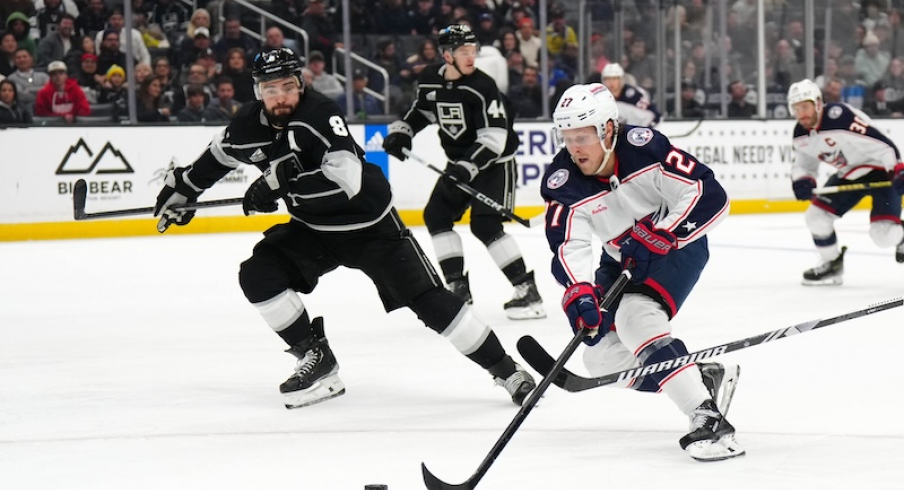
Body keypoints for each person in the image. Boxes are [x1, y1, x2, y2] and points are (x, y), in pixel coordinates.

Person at [152, 47, 536, 410]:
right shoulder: (248, 123)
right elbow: (220, 156)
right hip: (313, 231)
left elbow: (347, 180)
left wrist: (277, 183)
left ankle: (508, 371)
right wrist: (183, 190)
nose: (281, 96)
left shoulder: (320, 114)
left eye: (288, 85)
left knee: (433, 305)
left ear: (300, 83)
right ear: (258, 92)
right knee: (257, 276)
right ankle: (316, 357)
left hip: (371, 229)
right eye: (271, 89)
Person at [541, 82, 742, 461]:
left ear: (608, 130)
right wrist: (579, 290)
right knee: (598, 355)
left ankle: (708, 419)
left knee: (636, 317)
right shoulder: (563, 183)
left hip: (677, 245)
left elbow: (709, 195)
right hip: (621, 258)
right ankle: (700, 377)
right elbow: (569, 245)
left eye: (583, 136)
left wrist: (664, 233)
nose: (574, 147)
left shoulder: (645, 147)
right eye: (567, 137)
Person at [382, 24, 546, 320]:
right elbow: (422, 111)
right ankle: (458, 288)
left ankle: (528, 291)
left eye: (473, 51)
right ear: (447, 55)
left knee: (485, 225)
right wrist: (403, 132)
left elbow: (494, 138)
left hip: (495, 164)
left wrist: (467, 167)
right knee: (436, 216)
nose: (471, 57)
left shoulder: (483, 87)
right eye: (464, 52)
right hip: (460, 164)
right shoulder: (430, 80)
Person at [787, 79, 904, 285]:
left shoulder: (838, 117)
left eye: (805, 107)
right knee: (816, 217)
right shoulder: (801, 134)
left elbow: (884, 147)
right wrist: (802, 180)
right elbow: (804, 164)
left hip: (880, 170)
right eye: (796, 109)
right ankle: (832, 264)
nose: (801, 114)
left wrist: (897, 170)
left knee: (882, 235)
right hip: (849, 173)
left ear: (817, 103)